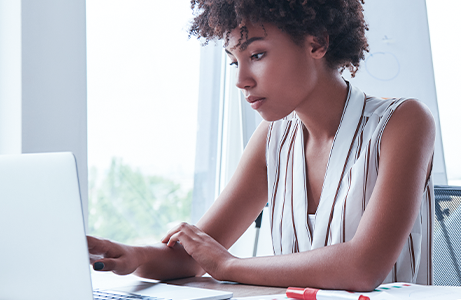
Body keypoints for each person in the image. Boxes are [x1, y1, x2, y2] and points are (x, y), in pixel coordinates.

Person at [87, 0, 435, 292]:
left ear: (316, 43)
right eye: (234, 61)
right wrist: (132, 256)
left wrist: (228, 265)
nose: (241, 80)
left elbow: (363, 268)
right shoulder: (273, 137)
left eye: (257, 54)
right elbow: (193, 258)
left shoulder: (402, 123)